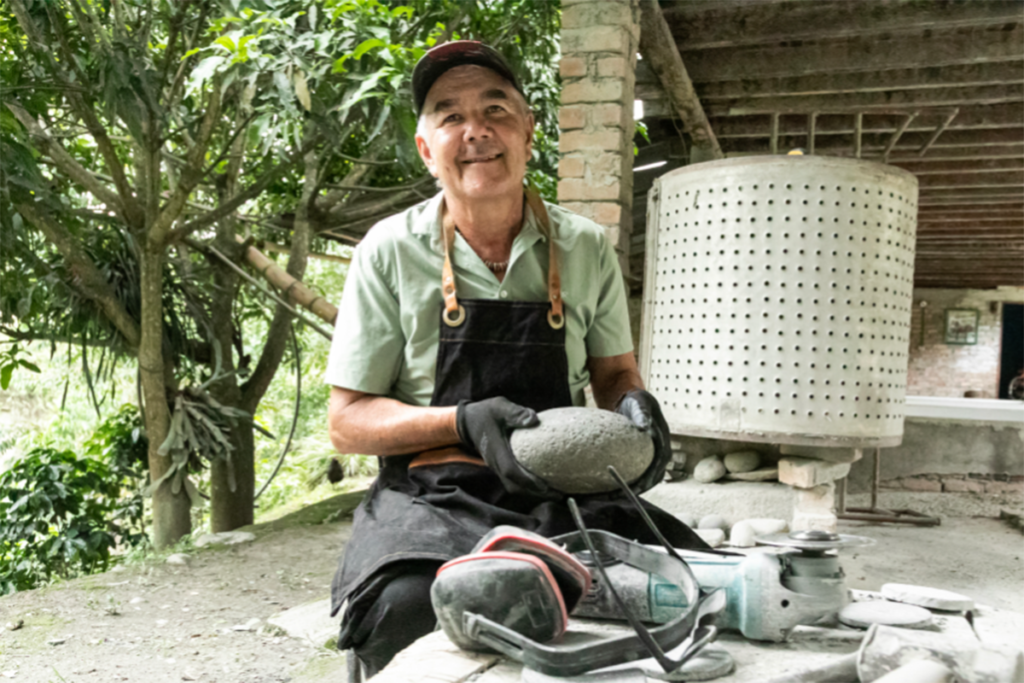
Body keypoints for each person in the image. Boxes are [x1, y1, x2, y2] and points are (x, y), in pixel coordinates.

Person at [324, 41, 707, 677]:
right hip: (434, 494)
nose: (475, 131)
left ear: (528, 132)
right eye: (450, 116)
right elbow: (347, 422)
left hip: (564, 491)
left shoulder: (584, 246)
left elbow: (614, 374)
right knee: (404, 609)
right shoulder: (388, 251)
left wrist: (635, 407)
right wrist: (460, 421)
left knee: (686, 586)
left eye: (495, 110)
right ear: (426, 150)